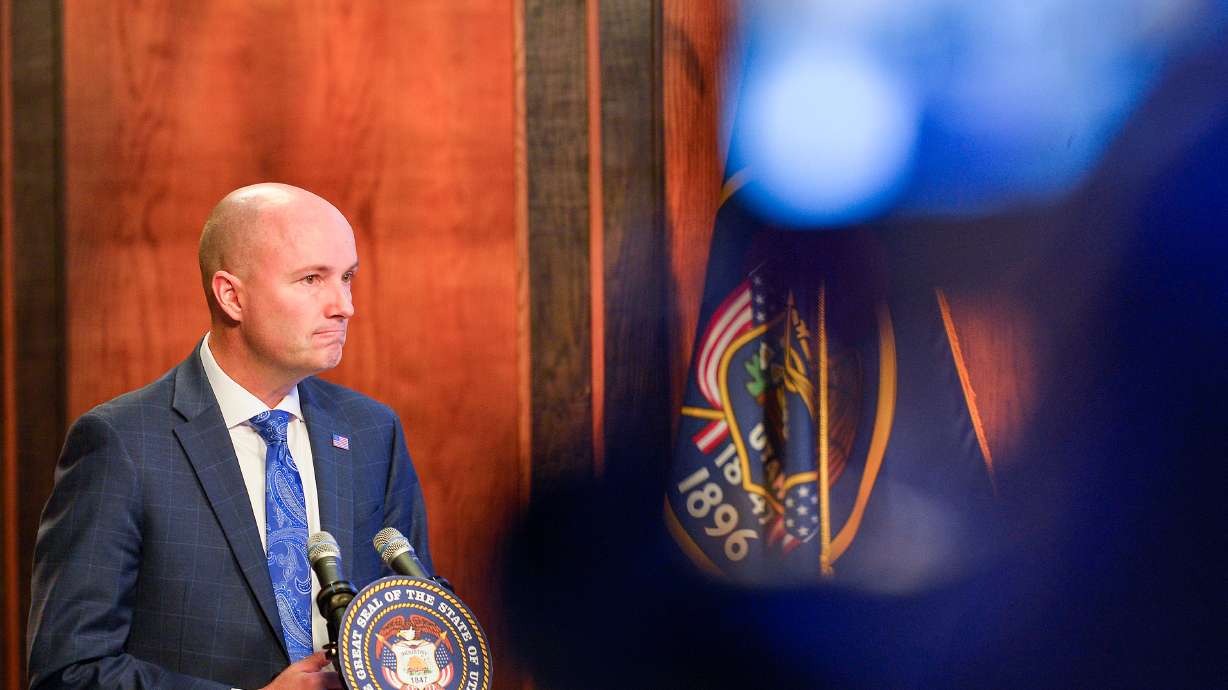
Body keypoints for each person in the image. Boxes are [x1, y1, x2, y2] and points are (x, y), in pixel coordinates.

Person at [27, 183, 434, 689]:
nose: (343, 305)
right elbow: (69, 671)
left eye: (347, 277)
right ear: (231, 296)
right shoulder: (122, 444)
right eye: (311, 279)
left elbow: (416, 621)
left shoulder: (372, 431)